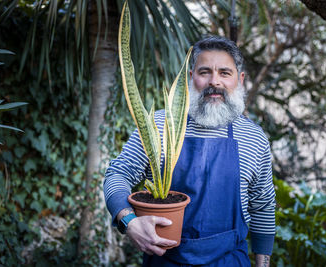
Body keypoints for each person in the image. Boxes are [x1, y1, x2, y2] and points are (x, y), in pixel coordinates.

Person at [104, 36, 276, 267]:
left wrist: (263, 264)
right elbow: (118, 174)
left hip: (228, 261)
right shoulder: (159, 126)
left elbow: (262, 205)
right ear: (190, 77)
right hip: (165, 261)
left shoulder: (254, 138)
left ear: (240, 79)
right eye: (205, 72)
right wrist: (129, 221)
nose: (215, 81)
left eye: (225, 73)